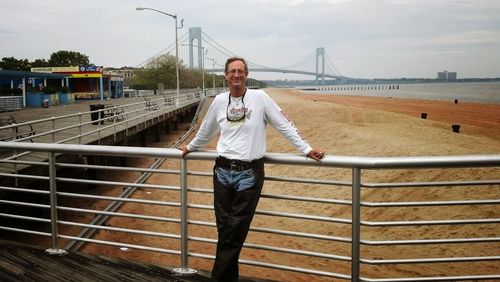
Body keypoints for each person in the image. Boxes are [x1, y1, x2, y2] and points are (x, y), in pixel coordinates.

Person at [180, 57, 325, 281]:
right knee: (227, 232)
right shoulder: (220, 101)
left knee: (233, 232)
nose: (236, 75)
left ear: (246, 74)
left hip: (249, 174)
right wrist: (190, 147)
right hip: (222, 172)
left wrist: (306, 149)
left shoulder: (260, 98)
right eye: (232, 71)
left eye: (240, 71)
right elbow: (206, 131)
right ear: (226, 75)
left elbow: (284, 124)